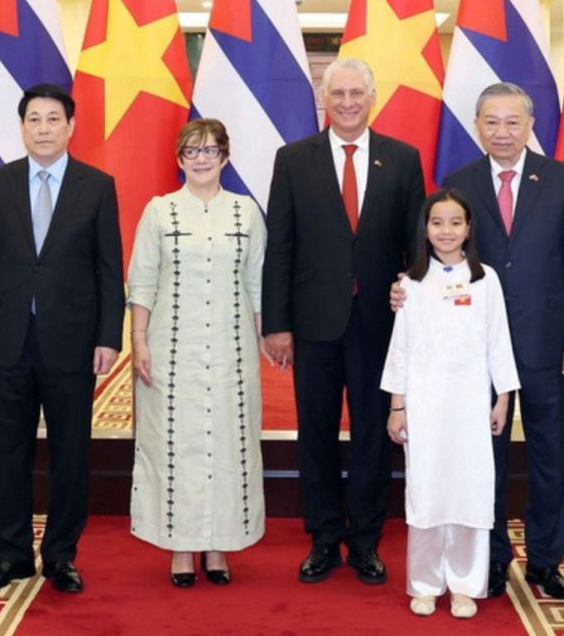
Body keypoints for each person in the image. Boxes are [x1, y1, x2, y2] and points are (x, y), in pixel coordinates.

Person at [396, 81, 564, 600]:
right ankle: (492, 557)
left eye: (512, 122)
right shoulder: (458, 180)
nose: (502, 132)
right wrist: (406, 288)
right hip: (475, 349)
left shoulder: (562, 179)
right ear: (478, 125)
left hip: (547, 342)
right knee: (485, 458)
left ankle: (546, 561)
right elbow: (441, 252)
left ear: (531, 125)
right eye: (491, 121)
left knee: (550, 454)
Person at [262, 57, 424, 586]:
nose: (348, 103)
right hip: (314, 322)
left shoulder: (402, 159)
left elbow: (416, 247)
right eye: (338, 94)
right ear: (323, 100)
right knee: (316, 432)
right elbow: (280, 247)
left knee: (375, 434)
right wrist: (277, 323)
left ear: (372, 98)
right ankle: (326, 537)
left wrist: (415, 299)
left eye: (357, 93)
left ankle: (367, 541)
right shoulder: (293, 159)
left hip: (380, 321)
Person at [0, 84, 124, 595]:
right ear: (22, 126)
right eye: (34, 119)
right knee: (7, 452)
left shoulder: (96, 185)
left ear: (71, 126)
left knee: (70, 452)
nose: (44, 128)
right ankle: (11, 555)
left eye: (53, 119)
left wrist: (108, 336)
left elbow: (107, 269)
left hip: (72, 342)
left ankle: (60, 555)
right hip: (9, 338)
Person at [127, 119, 266, 587]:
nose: (201, 158)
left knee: (227, 441)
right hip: (171, 348)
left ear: (226, 157)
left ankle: (218, 545)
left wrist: (270, 340)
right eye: (192, 151)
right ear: (179, 159)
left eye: (210, 150)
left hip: (232, 348)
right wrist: (139, 339)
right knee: (176, 444)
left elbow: (258, 283)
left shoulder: (245, 212)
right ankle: (181, 547)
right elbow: (142, 280)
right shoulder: (159, 211)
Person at [382, 189, 519, 619]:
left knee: (469, 492)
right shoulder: (410, 284)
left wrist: (503, 397)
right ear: (425, 228)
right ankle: (424, 583)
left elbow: (499, 341)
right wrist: (397, 406)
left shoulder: (486, 279)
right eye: (437, 222)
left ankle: (464, 583)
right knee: (425, 494)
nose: (446, 231)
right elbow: (400, 348)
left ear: (469, 228)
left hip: (471, 405)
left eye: (455, 222)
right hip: (424, 405)